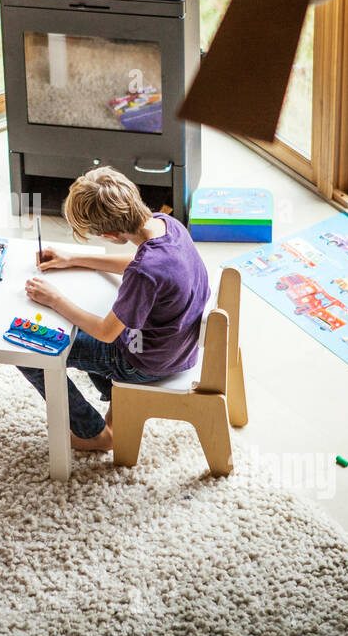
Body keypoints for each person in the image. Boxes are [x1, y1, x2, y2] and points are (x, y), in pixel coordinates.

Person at [18, 167, 210, 451]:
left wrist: (54, 299)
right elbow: (139, 263)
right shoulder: (167, 224)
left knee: (31, 351)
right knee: (84, 316)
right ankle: (115, 398)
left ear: (109, 234)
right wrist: (74, 259)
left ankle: (94, 433)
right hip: (178, 347)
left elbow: (106, 333)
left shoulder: (144, 273)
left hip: (143, 362)